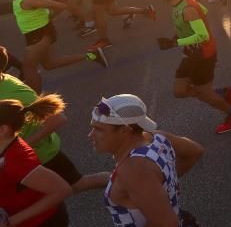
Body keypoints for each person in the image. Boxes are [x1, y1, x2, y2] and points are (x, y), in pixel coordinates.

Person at [0, 47, 105, 196]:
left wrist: (24, 146)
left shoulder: (15, 92)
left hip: (42, 155)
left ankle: (123, 182)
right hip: (18, 158)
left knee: (77, 185)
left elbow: (58, 119)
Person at [89, 94, 205, 227]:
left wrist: (153, 183)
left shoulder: (132, 169)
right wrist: (162, 183)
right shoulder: (158, 137)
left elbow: (167, 224)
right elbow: (196, 150)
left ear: (125, 131)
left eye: (98, 129)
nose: (91, 135)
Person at [155, 0, 231, 135]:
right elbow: (203, 10)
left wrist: (176, 42)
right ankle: (222, 92)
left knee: (204, 94)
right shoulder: (182, 1)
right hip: (191, 53)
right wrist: (177, 36)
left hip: (202, 55)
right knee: (180, 91)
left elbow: (203, 36)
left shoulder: (188, 8)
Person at [2, 0, 108, 91]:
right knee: (50, 64)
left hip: (39, 35)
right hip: (38, 33)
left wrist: (50, 15)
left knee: (28, 69)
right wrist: (46, 10)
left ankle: (35, 102)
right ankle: (92, 55)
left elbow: (61, 5)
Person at [0, 96, 73, 227]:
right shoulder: (5, 145)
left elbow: (62, 190)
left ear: (3, 129)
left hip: (44, 222)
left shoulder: (17, 161)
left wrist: (13, 220)